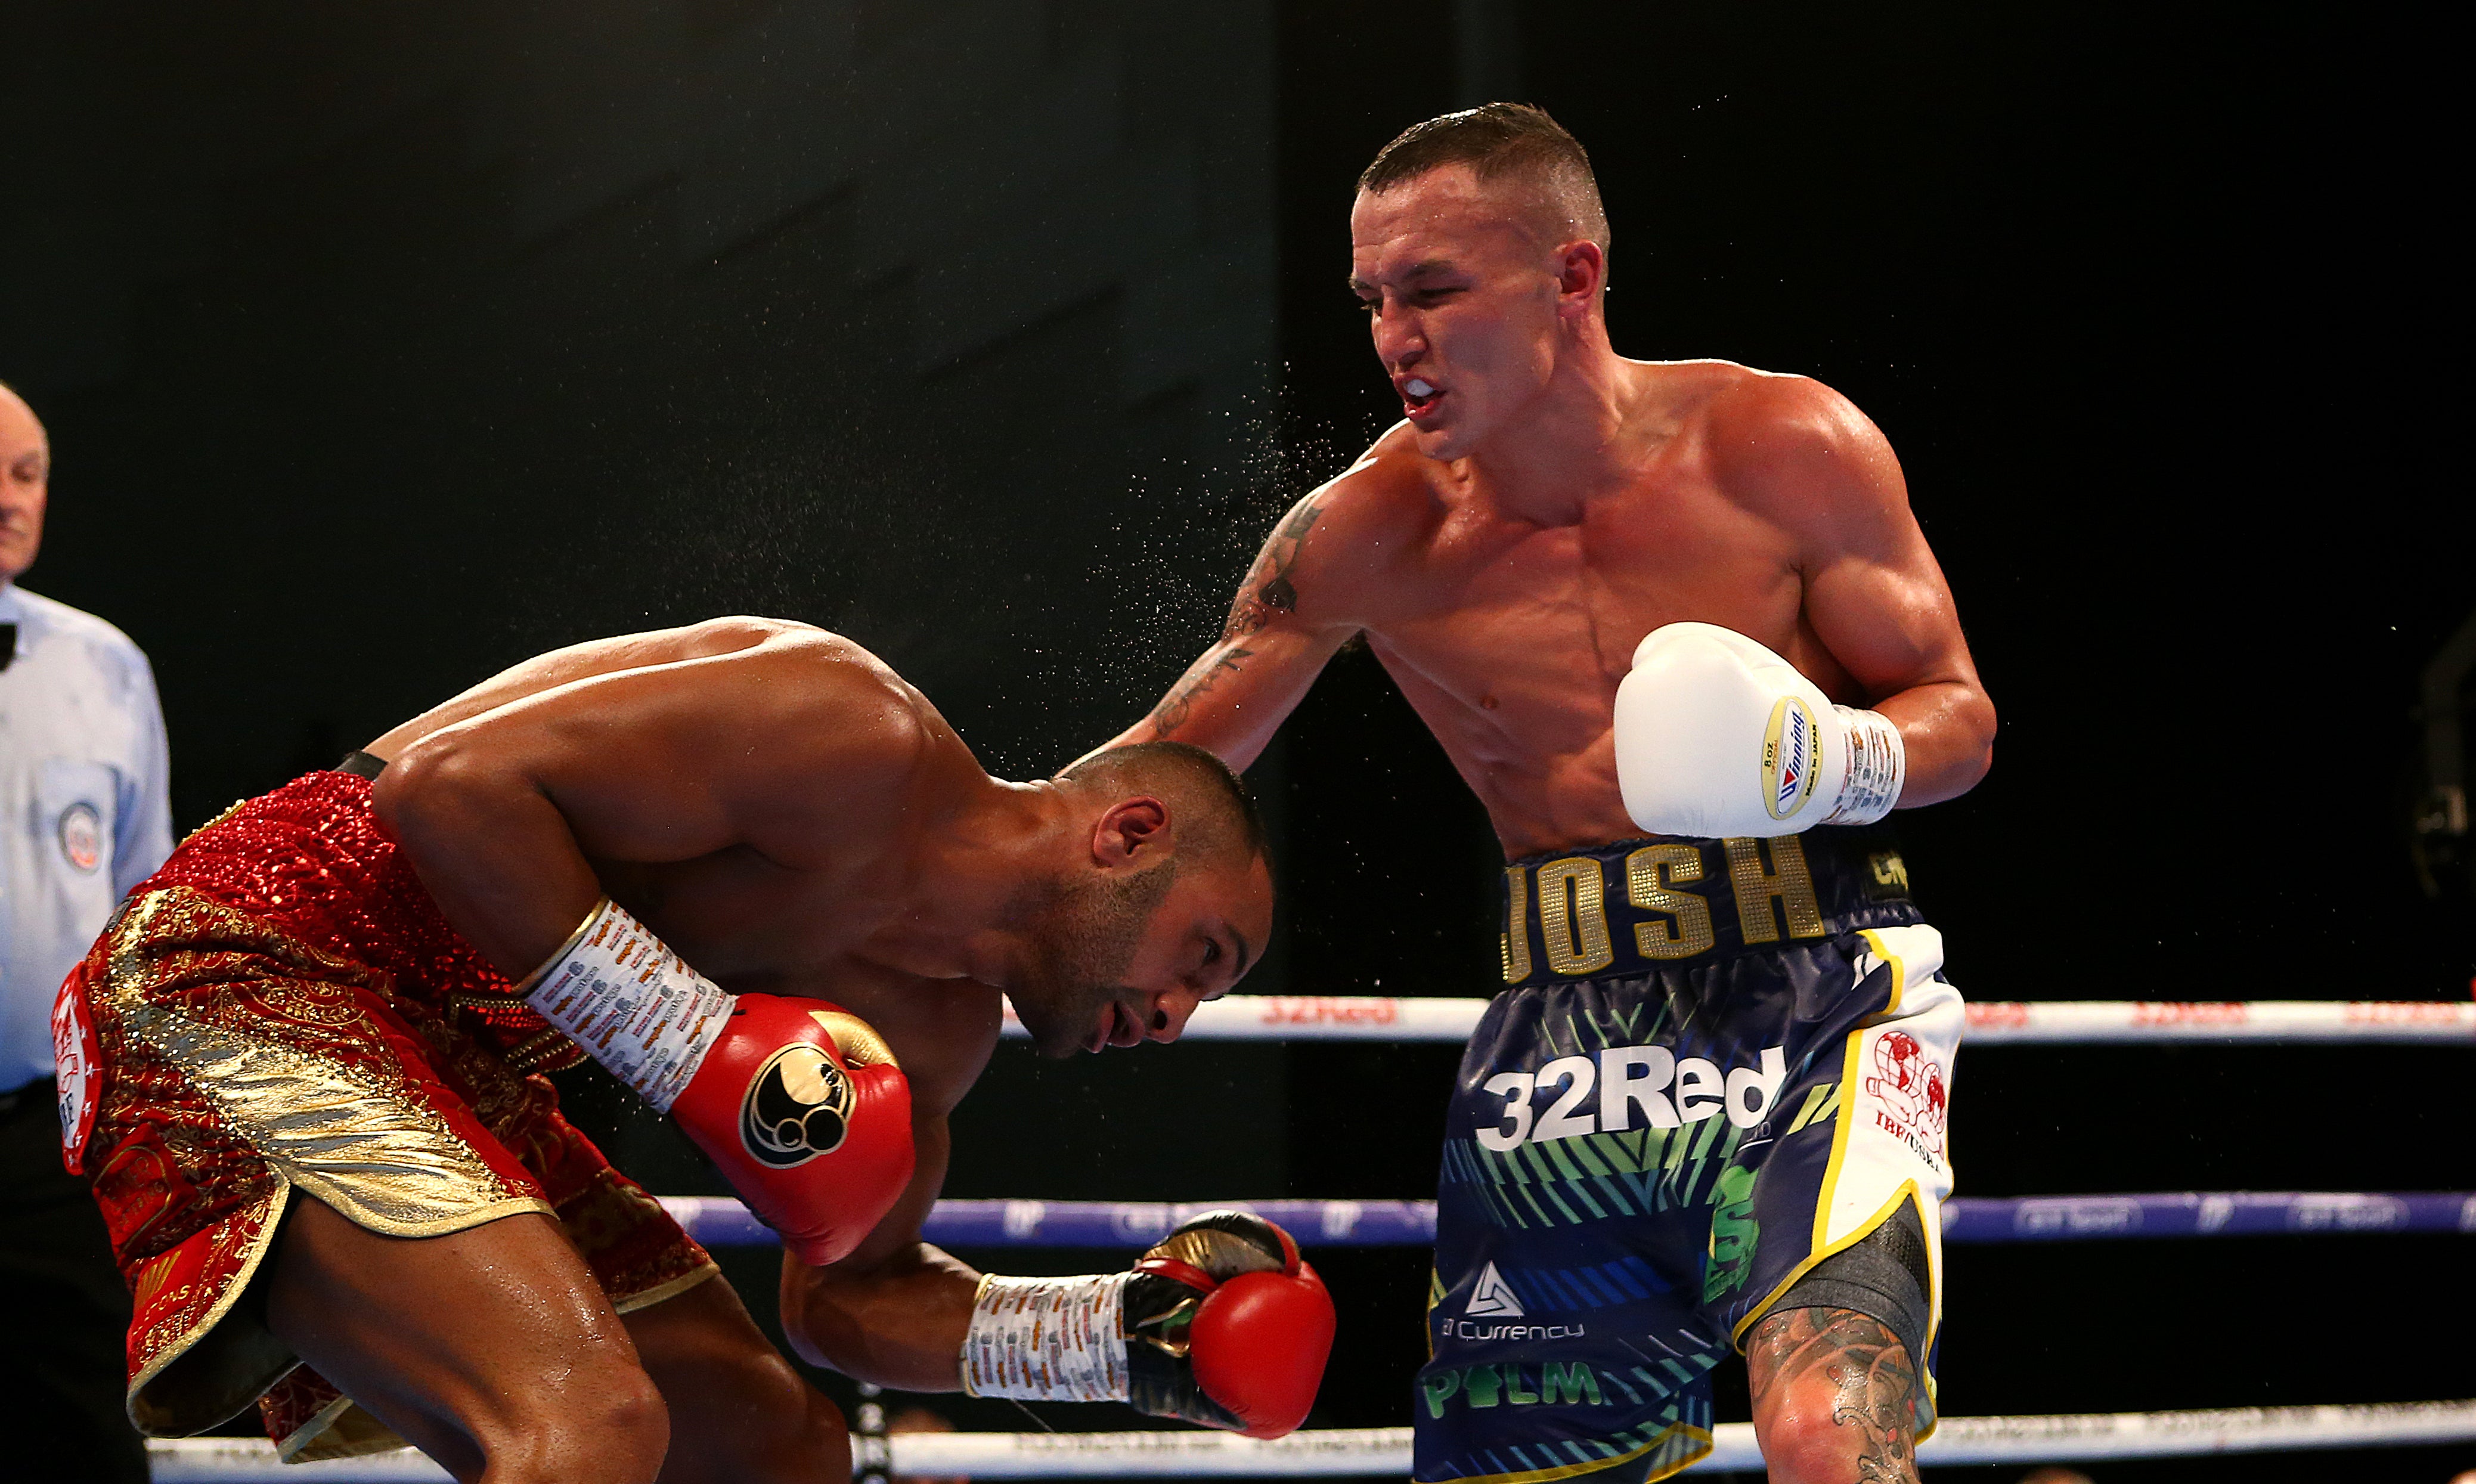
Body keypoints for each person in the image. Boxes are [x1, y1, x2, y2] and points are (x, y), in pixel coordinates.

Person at [1099, 104, 1995, 1484]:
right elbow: (1154, 780)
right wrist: (975, 899)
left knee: (1832, 1435)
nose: (1396, 333)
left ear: (1572, 278)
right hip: (1561, 1046)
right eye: (1374, 298)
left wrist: (1837, 756)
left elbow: (1957, 713)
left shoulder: (1782, 444)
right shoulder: (1363, 534)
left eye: (1436, 289)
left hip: (1819, 996)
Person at [55, 617, 1329, 1483]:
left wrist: (1113, 1336)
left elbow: (854, 1302)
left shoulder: (929, 1034)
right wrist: (690, 1041)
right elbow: (442, 789)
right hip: (257, 960)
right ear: (1129, 835)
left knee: (774, 1446)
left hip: (454, 1061)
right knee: (589, 1419)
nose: (1176, 1014)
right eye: (1201, 959)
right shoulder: (853, 735)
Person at [0, 380, 173, 1482]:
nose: (10, 498)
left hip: (41, 1144)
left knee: (79, 1445)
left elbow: (140, 923)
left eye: (25, 473)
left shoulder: (106, 665)